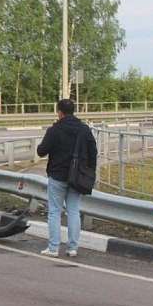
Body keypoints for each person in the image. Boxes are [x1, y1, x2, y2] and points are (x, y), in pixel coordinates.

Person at [36, 99, 97, 257]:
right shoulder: (84, 130)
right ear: (73, 111)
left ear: (60, 112)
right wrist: (89, 173)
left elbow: (41, 151)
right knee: (74, 211)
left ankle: (53, 248)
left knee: (55, 212)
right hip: (77, 178)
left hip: (57, 176)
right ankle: (72, 248)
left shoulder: (55, 130)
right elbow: (93, 152)